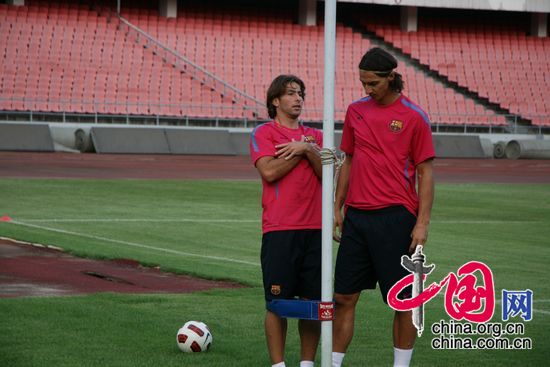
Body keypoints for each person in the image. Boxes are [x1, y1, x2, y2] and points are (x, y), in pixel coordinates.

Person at [331, 47, 435, 367]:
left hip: (397, 218)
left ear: (391, 77)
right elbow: (347, 160)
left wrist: (422, 223)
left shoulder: (414, 117)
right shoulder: (355, 111)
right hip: (357, 218)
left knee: (403, 301)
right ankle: (333, 364)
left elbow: (425, 172)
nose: (367, 89)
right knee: (343, 297)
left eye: (373, 83)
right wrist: (337, 206)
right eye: (363, 83)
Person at [250, 74, 323, 367]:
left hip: (315, 229)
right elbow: (269, 172)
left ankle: (307, 364)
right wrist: (299, 152)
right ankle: (278, 365)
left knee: (313, 305)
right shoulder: (264, 133)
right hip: (280, 229)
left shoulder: (315, 137)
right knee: (277, 303)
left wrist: (307, 148)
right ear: (275, 101)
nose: (298, 99)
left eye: (301, 93)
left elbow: (327, 174)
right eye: (291, 93)